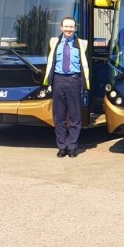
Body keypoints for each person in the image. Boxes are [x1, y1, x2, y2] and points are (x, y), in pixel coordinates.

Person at [44, 17, 90, 158]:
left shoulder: (82, 44)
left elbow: (86, 65)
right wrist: (49, 83)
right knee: (59, 116)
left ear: (75, 28)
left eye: (71, 27)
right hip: (58, 80)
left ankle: (72, 146)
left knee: (75, 115)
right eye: (66, 26)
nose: (69, 29)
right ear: (61, 27)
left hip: (74, 80)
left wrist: (84, 84)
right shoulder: (54, 43)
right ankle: (62, 146)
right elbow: (50, 62)